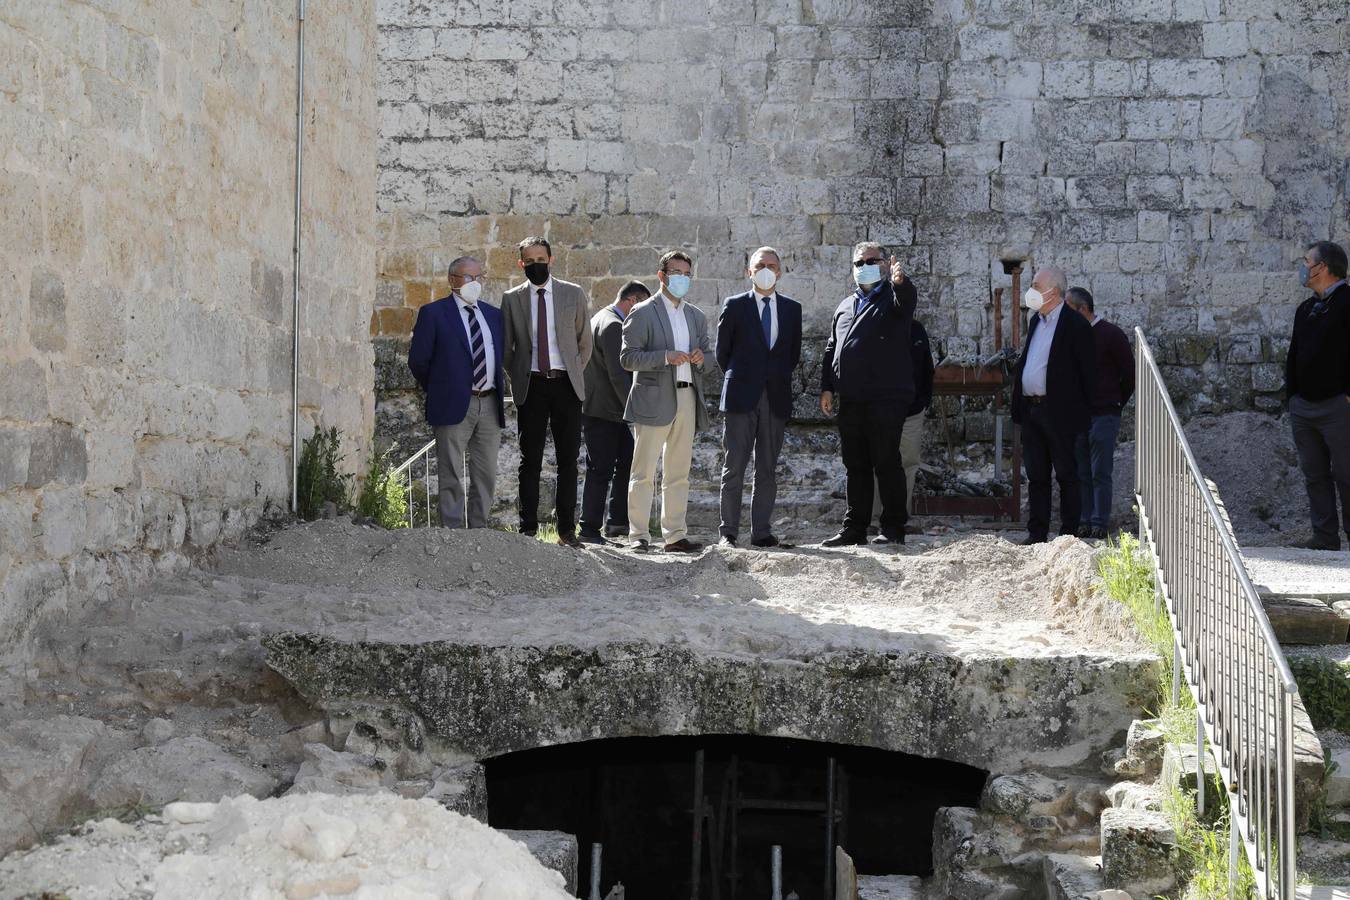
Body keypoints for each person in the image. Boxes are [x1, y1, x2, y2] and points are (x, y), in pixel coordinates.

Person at [819, 242, 917, 547]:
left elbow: (907, 302)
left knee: (887, 462)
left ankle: (892, 528)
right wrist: (826, 386)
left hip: (885, 398)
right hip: (851, 398)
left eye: (871, 260)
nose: (864, 266)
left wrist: (902, 283)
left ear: (886, 264)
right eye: (859, 262)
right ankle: (855, 528)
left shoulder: (893, 298)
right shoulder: (845, 305)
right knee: (855, 464)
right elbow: (832, 348)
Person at [500, 236, 593, 548]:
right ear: (521, 263)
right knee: (531, 459)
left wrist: (574, 371)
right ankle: (528, 528)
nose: (536, 264)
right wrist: (520, 375)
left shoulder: (572, 293)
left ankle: (567, 530)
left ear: (551, 260)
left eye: (541, 259)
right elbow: (507, 348)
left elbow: (584, 341)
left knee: (569, 459)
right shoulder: (512, 299)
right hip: (532, 385)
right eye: (530, 260)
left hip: (567, 383)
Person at [620, 250, 713, 554]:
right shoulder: (643, 311)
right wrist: (665, 357)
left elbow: (712, 360)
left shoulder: (696, 316)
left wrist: (702, 359)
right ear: (661, 276)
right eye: (676, 273)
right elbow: (627, 357)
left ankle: (674, 535)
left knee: (678, 472)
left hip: (687, 396)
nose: (682, 279)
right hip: (653, 398)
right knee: (643, 471)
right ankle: (638, 536)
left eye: (687, 274)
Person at [407, 256, 505, 529]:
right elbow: (418, 361)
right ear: (452, 280)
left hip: (489, 402)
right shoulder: (434, 313)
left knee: (485, 472)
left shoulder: (493, 315)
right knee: (450, 471)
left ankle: (479, 527)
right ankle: (453, 529)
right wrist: (440, 388)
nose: (475, 283)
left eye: (479, 277)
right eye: (468, 277)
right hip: (451, 403)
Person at [715, 247, 803, 548]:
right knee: (734, 466)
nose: (766, 270)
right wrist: (745, 377)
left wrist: (770, 379)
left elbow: (792, 355)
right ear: (748, 271)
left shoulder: (793, 309)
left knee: (767, 468)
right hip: (740, 396)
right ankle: (728, 531)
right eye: (760, 265)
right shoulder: (734, 305)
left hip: (775, 397)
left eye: (772, 265)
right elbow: (721, 353)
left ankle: (761, 531)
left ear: (779, 272)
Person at [1010, 268, 1096, 545]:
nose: (1031, 290)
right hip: (1032, 409)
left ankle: (1068, 535)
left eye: (1036, 285)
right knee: (1036, 476)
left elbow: (1087, 374)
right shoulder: (1036, 321)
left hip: (1060, 413)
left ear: (1053, 292)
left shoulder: (1076, 325)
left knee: (1067, 475)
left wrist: (1080, 415)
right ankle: (1037, 534)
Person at [1286, 240, 1350, 551]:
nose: (1303, 267)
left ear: (1322, 267)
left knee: (1347, 473)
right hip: (1304, 408)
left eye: (1306, 261)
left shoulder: (1348, 303)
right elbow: (1294, 353)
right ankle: (1325, 537)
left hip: (1338, 406)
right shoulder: (1306, 309)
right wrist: (1292, 396)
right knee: (1315, 474)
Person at [578, 281, 650, 545]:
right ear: (631, 301)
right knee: (600, 469)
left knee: (627, 461)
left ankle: (617, 521)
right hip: (604, 410)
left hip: (608, 410)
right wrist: (634, 408)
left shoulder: (601, 316)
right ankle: (589, 529)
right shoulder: (613, 325)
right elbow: (618, 374)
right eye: (641, 307)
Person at [1064, 286, 1134, 540]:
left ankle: (1099, 522)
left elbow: (1128, 375)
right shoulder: (1072, 336)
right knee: (1082, 470)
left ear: (1083, 309)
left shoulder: (1111, 334)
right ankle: (1084, 520)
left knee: (1100, 471)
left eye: (1069, 309)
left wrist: (1113, 403)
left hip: (1105, 413)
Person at [901, 318, 934, 520]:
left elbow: (927, 368)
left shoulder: (917, 329)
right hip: (884, 408)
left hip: (912, 410)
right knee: (879, 461)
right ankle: (875, 518)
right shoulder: (878, 325)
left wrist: (924, 401)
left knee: (909, 463)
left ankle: (900, 516)